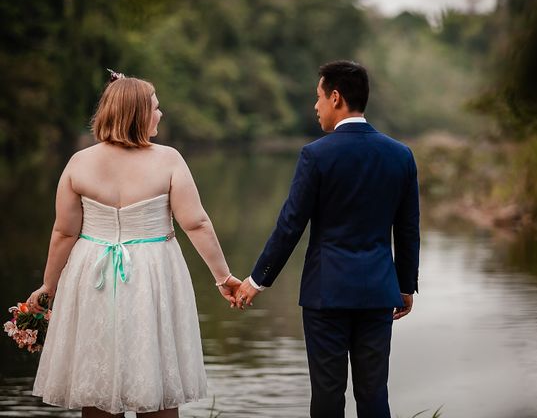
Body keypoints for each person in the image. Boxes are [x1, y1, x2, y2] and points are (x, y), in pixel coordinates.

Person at [27, 71, 241, 418]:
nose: (161, 114)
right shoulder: (168, 159)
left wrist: (48, 286)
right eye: (156, 107)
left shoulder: (79, 163)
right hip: (153, 271)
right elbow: (196, 223)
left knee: (97, 381)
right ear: (139, 114)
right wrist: (223, 277)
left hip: (91, 272)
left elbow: (64, 233)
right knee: (155, 381)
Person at [234, 60, 420, 417]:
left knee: (327, 397)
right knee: (374, 395)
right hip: (380, 292)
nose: (315, 107)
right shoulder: (400, 155)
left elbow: (290, 225)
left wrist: (257, 280)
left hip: (326, 294)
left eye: (318, 98)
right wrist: (405, 285)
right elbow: (408, 228)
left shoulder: (316, 155)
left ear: (336, 98)